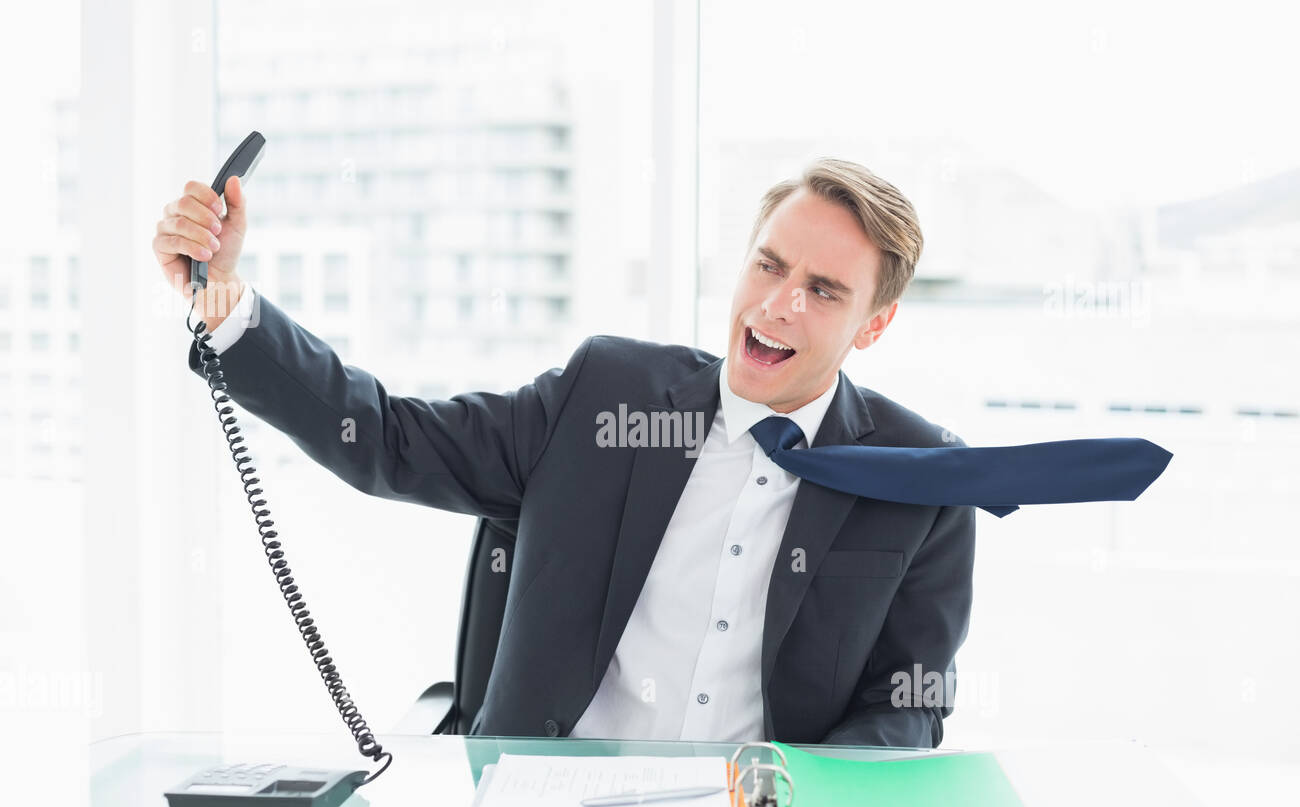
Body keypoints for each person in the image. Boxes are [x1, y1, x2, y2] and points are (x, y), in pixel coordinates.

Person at [153, 156, 971, 747]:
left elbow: (909, 703)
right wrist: (224, 305)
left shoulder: (924, 479)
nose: (778, 304)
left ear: (873, 325)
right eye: (768, 264)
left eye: (823, 291)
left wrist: (811, 800)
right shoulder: (604, 395)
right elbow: (390, 439)